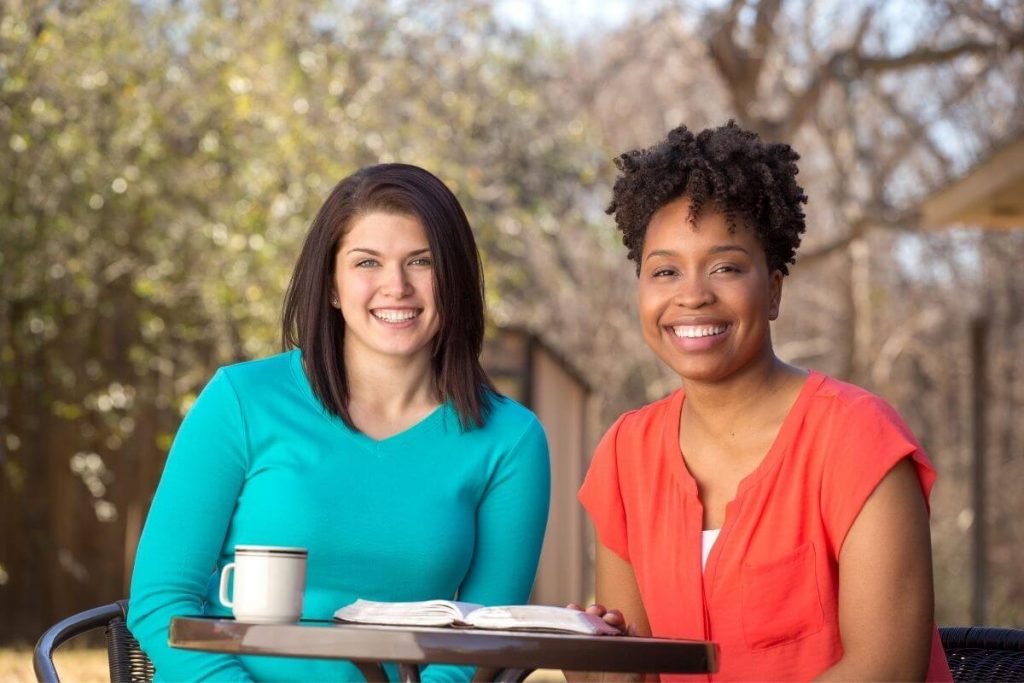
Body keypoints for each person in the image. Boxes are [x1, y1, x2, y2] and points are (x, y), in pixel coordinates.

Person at [128, 163, 550, 682]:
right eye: (367, 262)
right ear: (331, 285)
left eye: (422, 261)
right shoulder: (240, 401)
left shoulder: (511, 440)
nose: (396, 286)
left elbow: (484, 637)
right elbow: (159, 601)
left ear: (456, 281)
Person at [575, 122, 952, 681]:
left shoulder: (856, 439)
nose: (693, 294)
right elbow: (634, 670)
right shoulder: (626, 454)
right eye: (665, 271)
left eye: (725, 267)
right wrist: (594, 657)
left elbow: (885, 668)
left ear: (773, 290)